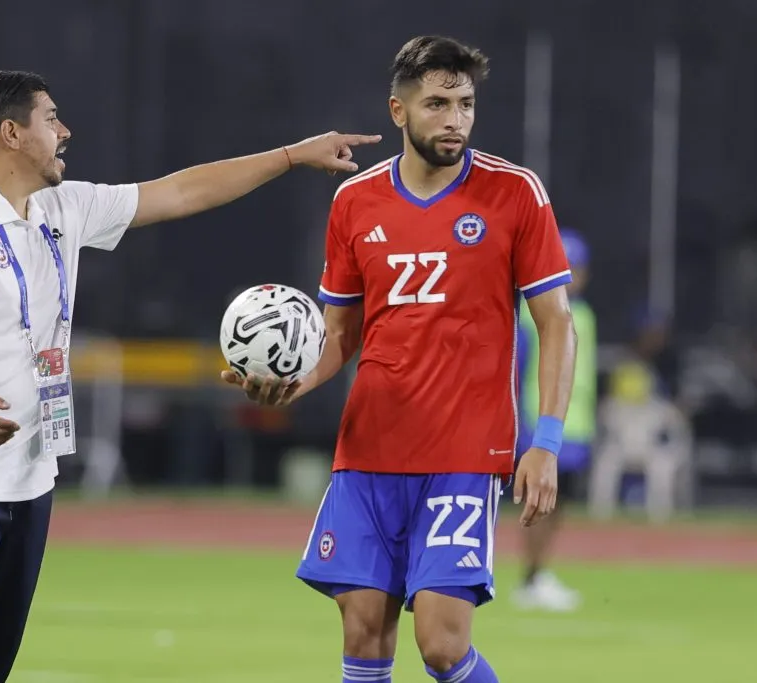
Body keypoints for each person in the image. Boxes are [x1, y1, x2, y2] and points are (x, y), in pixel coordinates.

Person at [0, 69, 379, 683]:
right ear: (11, 133)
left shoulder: (61, 207)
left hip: (30, 470)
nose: (66, 131)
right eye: (51, 118)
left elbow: (181, 192)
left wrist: (289, 157)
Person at [223, 36, 577, 683]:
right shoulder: (355, 201)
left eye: (466, 104)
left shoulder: (515, 194)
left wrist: (546, 439)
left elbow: (556, 321)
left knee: (441, 645)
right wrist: (287, 385)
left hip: (464, 451)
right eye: (438, 103)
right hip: (370, 450)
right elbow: (339, 335)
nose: (456, 119)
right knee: (363, 634)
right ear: (398, 110)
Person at [511, 228, 595, 612]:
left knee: (559, 506)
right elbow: (517, 371)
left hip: (576, 428)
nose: (574, 275)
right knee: (537, 504)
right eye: (569, 266)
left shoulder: (584, 315)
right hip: (539, 425)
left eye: (578, 267)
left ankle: (540, 572)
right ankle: (531, 577)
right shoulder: (532, 317)